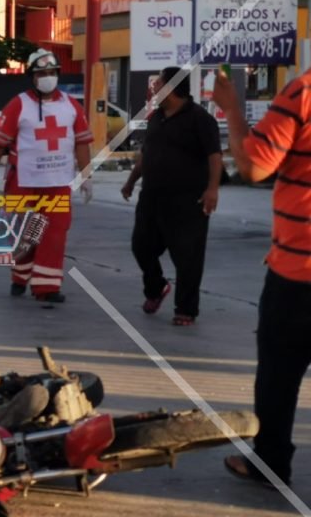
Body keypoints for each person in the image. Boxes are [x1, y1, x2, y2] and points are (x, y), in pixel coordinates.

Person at [213, 68, 311, 488]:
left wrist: (233, 109)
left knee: (279, 371)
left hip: (299, 274)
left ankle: (270, 461)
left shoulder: (304, 92)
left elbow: (254, 165)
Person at [0, 49, 94, 304]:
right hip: (22, 181)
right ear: (32, 77)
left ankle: (46, 287)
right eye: (41, 73)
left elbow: (82, 144)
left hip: (58, 183)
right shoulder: (18, 104)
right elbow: (0, 144)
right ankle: (20, 276)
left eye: (51, 72)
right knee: (23, 234)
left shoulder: (71, 106)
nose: (47, 77)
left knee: (55, 233)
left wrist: (87, 177)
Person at [121, 66, 222, 326]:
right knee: (141, 246)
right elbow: (146, 153)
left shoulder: (199, 119)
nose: (153, 88)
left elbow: (214, 155)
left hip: (187, 201)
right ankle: (156, 288)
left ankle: (186, 309)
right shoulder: (156, 117)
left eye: (158, 84)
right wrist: (132, 180)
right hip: (152, 197)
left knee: (187, 257)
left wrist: (212, 189)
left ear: (172, 88)